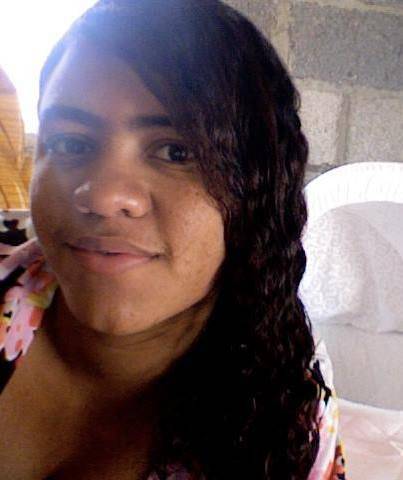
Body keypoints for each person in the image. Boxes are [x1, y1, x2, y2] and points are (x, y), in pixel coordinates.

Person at [0, 1, 346, 478]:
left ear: (257, 187)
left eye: (176, 151)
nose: (102, 197)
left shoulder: (288, 432)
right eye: (71, 142)